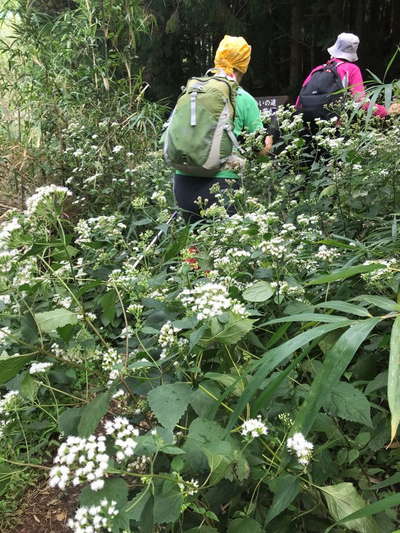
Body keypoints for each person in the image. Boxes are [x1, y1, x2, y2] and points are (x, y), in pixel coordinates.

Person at [172, 35, 273, 223]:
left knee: (191, 247)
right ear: (244, 65)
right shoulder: (242, 97)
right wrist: (270, 138)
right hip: (220, 184)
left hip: (183, 180)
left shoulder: (193, 90)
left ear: (217, 58)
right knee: (222, 247)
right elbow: (261, 150)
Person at [296, 32, 399, 122]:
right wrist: (385, 111)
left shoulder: (318, 69)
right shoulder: (351, 69)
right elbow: (361, 102)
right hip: (334, 125)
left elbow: (299, 101)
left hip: (305, 121)